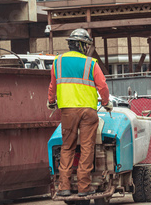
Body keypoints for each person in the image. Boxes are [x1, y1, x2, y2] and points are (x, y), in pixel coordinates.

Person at [47, 28, 112, 197]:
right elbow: (102, 86)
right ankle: (84, 187)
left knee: (67, 147)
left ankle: (64, 187)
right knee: (86, 148)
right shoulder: (91, 63)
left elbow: (53, 86)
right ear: (83, 46)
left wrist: (51, 101)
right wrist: (106, 103)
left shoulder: (57, 62)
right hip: (88, 111)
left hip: (67, 111)